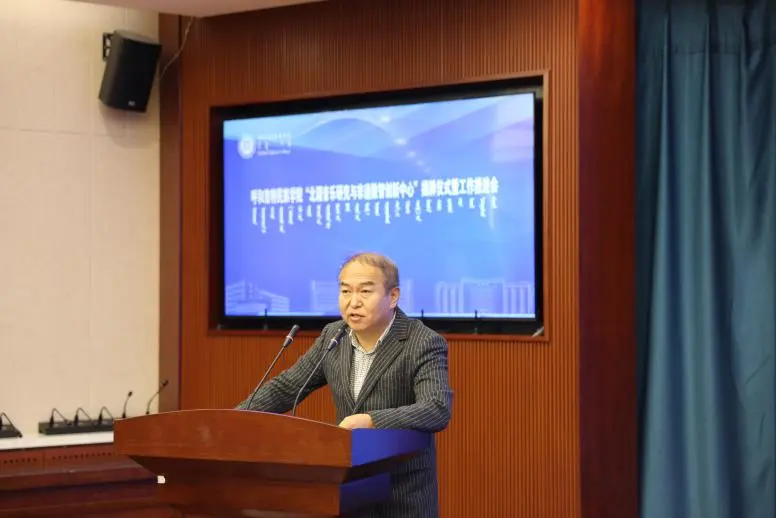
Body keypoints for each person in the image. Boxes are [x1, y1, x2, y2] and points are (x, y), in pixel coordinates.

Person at [237, 252, 453, 518]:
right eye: (345, 291)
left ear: (393, 296)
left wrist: (370, 420)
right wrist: (234, 420)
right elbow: (286, 387)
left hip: (400, 495)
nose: (353, 302)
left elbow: (436, 408)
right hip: (348, 493)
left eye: (365, 291)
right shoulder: (334, 335)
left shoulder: (422, 342)